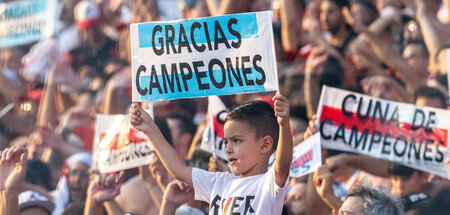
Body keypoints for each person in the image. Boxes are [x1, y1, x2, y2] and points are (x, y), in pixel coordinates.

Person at [130, 92, 293, 214]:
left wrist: (284, 124)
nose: (228, 148)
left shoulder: (269, 184)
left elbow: (283, 164)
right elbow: (180, 171)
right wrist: (150, 129)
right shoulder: (219, 182)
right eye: (225, 141)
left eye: (236, 141)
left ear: (265, 144)